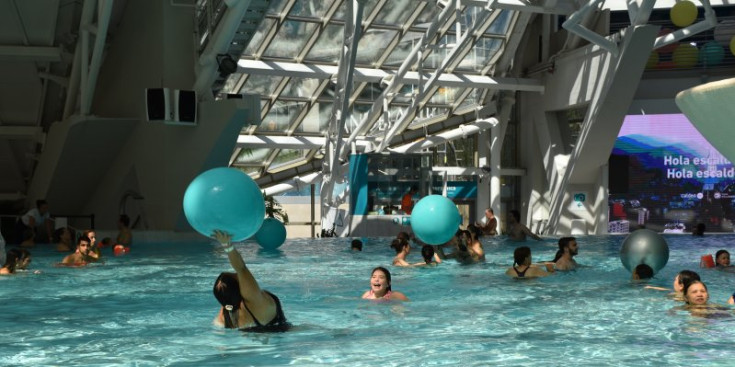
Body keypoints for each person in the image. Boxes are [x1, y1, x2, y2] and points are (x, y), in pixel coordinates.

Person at [212, 230, 290, 332]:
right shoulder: (253, 299)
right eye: (236, 276)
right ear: (239, 287)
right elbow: (241, 268)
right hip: (277, 338)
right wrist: (227, 245)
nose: (240, 276)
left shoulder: (226, 312)